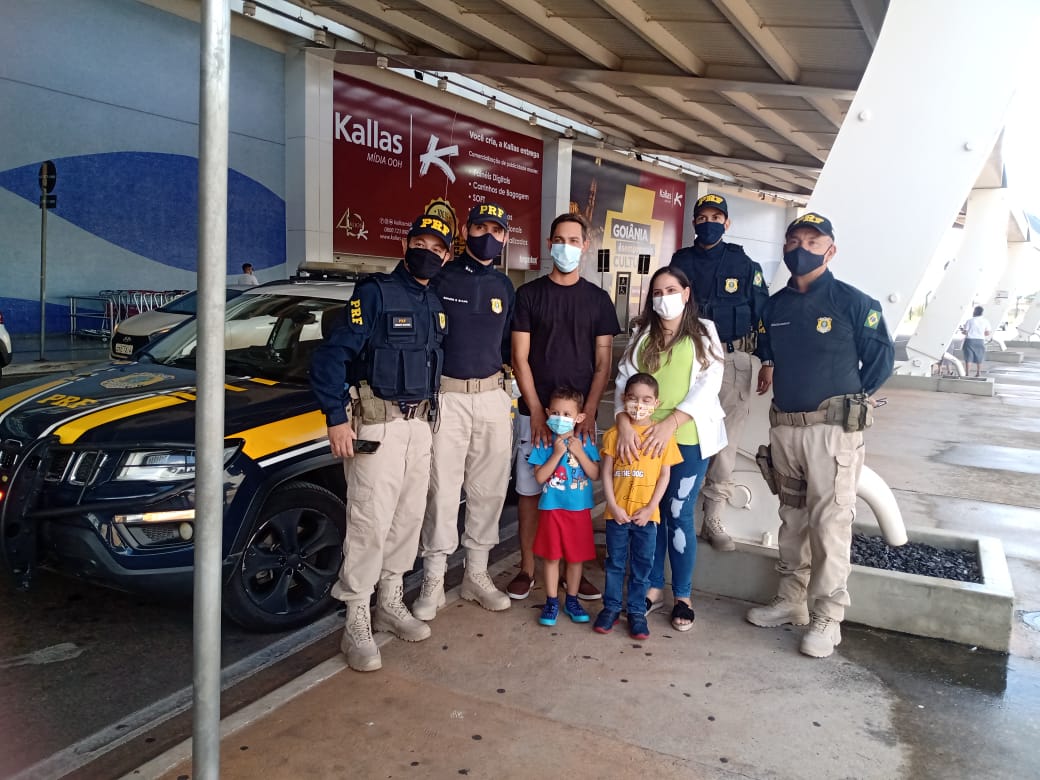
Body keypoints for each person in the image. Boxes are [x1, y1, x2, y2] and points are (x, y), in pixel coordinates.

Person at [747, 212, 894, 658]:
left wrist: (846, 404)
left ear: (830, 250)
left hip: (832, 434)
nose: (801, 248)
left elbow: (880, 364)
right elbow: (768, 354)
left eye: (813, 241)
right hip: (785, 431)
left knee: (830, 524)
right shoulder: (774, 307)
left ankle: (828, 616)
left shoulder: (855, 303)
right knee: (791, 519)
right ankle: (791, 601)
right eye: (794, 239)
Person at [310, 213, 452, 672]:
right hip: (377, 425)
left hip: (419, 426)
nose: (428, 251)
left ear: (447, 255)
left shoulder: (435, 302)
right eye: (421, 242)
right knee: (369, 522)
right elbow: (333, 356)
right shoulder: (374, 293)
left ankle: (390, 603)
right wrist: (335, 417)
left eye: (438, 247)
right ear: (406, 244)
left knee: (408, 520)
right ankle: (356, 620)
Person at [508, 212, 621, 601]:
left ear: (585, 246)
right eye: (559, 239)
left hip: (581, 419)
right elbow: (520, 358)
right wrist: (537, 410)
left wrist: (587, 413)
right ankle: (528, 568)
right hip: (535, 415)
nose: (566, 247)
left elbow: (604, 362)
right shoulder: (529, 295)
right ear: (549, 243)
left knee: (575, 493)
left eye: (574, 240)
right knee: (530, 491)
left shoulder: (598, 300)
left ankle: (572, 570)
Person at [413, 203, 516, 620]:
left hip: (493, 395)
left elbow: (511, 345)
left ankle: (476, 574)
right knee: (442, 491)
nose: (487, 234)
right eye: (479, 226)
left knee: (489, 489)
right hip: (447, 397)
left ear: (506, 237)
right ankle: (433, 582)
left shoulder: (506, 286)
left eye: (496, 229)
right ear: (466, 231)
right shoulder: (440, 276)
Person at [612, 267, 727, 632]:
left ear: (686, 293)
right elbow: (622, 382)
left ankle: (683, 595)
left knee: (677, 512)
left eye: (672, 289)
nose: (664, 297)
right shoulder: (641, 335)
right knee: (651, 512)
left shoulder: (704, 332)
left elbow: (710, 384)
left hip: (687, 436)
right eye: (658, 291)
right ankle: (652, 588)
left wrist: (671, 423)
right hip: (643, 440)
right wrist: (624, 423)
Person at [669, 194, 771, 552]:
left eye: (716, 216)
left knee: (724, 443)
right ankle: (676, 508)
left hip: (731, 360)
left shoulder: (744, 264)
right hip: (686, 359)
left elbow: (763, 313)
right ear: (694, 222)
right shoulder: (681, 261)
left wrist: (768, 360)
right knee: (682, 435)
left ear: (727, 223)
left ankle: (713, 515)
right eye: (702, 216)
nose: (708, 221)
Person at [596, 373, 682, 639]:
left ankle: (635, 611)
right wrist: (612, 505)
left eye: (646, 400)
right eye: (632, 399)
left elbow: (665, 476)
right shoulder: (613, 435)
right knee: (615, 563)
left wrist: (650, 509)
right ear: (624, 400)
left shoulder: (663, 437)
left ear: (656, 403)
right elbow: (606, 473)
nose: (638, 404)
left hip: (647, 517)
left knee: (642, 565)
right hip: (617, 514)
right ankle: (610, 608)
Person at [527, 385, 602, 626]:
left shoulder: (586, 441)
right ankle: (551, 601)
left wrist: (579, 453)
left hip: (579, 510)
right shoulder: (544, 443)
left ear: (579, 417)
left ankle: (571, 599)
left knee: (575, 558)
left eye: (567, 415)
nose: (561, 419)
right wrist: (557, 454)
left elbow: (595, 473)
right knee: (551, 558)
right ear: (548, 413)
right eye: (556, 413)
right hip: (552, 509)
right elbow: (540, 478)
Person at [960, 305, 992, 377]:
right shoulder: (985, 321)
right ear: (982, 313)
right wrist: (980, 333)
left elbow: (965, 332)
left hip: (970, 341)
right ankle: (978, 373)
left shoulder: (970, 321)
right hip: (980, 341)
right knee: (979, 357)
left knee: (968, 357)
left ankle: (967, 373)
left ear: (975, 312)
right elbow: (987, 333)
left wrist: (963, 331)